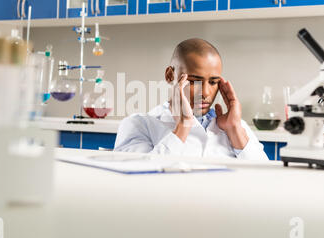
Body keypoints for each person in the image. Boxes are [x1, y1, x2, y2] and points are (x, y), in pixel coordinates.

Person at [114, 38, 268, 160]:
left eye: (213, 82)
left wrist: (235, 131)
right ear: (170, 75)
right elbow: (137, 179)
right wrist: (182, 126)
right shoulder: (138, 124)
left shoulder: (234, 126)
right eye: (194, 81)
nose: (206, 92)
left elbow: (266, 179)